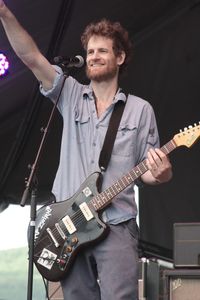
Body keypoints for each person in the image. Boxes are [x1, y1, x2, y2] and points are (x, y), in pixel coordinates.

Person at [0, 1, 172, 299]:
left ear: (120, 57)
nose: (93, 56)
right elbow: (30, 57)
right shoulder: (69, 93)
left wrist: (162, 173)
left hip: (117, 225)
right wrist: (4, 14)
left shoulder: (140, 110)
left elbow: (149, 174)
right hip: (67, 225)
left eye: (102, 51)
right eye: (90, 51)